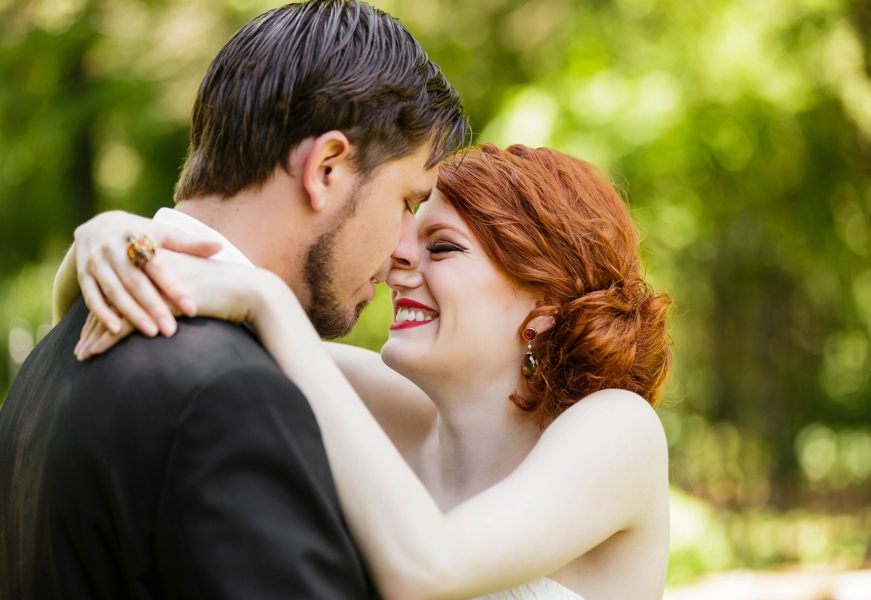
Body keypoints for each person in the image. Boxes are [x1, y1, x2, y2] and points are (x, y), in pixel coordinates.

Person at [63, 143, 674, 600]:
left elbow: (427, 567)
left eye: (442, 246)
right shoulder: (394, 409)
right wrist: (107, 238)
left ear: (543, 308)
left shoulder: (619, 430)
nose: (399, 255)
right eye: (410, 227)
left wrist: (271, 302)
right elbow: (165, 316)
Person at [0, 1, 468, 598]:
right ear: (326, 168)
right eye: (407, 201)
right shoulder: (229, 392)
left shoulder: (51, 356)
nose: (406, 248)